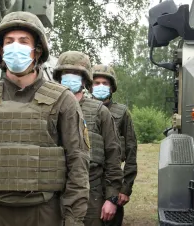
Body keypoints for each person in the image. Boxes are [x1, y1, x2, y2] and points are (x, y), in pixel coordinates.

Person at [0, 12, 91, 226]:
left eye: (23, 41)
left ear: (38, 50)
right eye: (9, 42)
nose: (15, 47)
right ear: (0, 50)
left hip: (43, 213)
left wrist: (73, 220)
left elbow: (78, 163)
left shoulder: (63, 100)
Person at [53, 51, 124, 226]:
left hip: (91, 193)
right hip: (53, 193)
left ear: (85, 80)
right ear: (58, 78)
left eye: (76, 74)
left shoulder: (100, 112)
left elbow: (113, 157)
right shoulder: (48, 109)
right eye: (65, 74)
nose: (70, 79)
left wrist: (111, 198)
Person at [90, 64, 138, 226]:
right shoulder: (80, 109)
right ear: (89, 86)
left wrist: (125, 188)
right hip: (89, 180)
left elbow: (131, 150)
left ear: (112, 87)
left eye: (105, 83)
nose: (100, 86)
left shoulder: (121, 112)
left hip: (114, 180)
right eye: (96, 83)